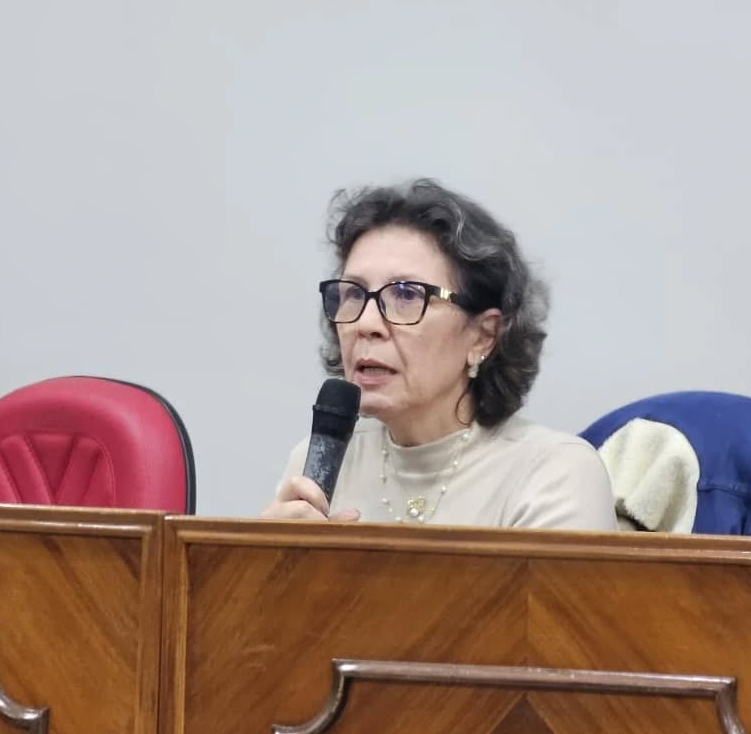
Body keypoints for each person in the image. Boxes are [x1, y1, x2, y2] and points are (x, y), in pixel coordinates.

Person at [262, 178, 617, 531]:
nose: (366, 323)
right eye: (354, 293)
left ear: (483, 336)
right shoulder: (314, 468)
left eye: (406, 294)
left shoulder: (553, 475)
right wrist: (267, 556)